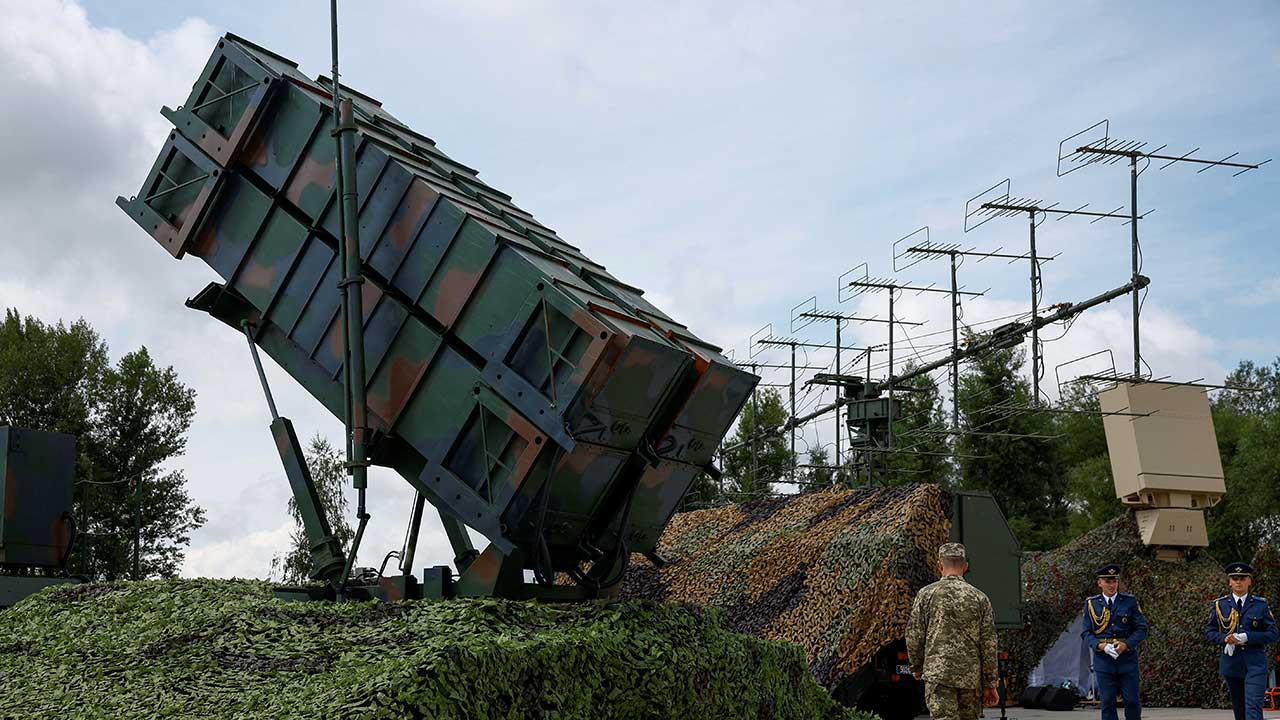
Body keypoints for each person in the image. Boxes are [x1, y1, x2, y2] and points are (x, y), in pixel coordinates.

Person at [906, 542, 1000, 720]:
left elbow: (914, 635)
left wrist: (917, 668)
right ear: (965, 566)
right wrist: (990, 684)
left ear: (940, 565)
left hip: (938, 675)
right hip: (970, 678)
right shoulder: (980, 598)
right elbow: (989, 643)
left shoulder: (926, 594)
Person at [1205, 562, 1278, 720]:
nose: (1238, 581)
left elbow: (1273, 633)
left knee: (1253, 705)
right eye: (1235, 578)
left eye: (1243, 578)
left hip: (1255, 663)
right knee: (1239, 707)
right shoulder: (1220, 605)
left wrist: (1247, 637)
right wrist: (1224, 638)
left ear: (1249, 581)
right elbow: (1209, 632)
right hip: (1232, 663)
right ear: (1229, 582)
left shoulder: (1261, 605)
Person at [1080, 563, 1148, 720]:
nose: (1112, 585)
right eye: (1108, 581)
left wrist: (1126, 644)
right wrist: (1100, 645)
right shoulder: (1092, 603)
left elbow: (1141, 629)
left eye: (1114, 581)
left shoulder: (1129, 601)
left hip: (1127, 658)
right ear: (1100, 583)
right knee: (1108, 703)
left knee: (1132, 701)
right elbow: (1086, 632)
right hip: (1104, 660)